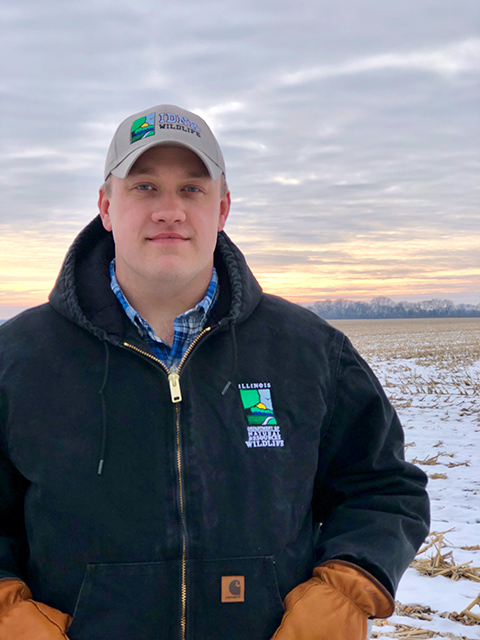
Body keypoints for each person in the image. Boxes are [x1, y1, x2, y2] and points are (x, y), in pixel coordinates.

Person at [0, 103, 429, 640]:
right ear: (106, 207)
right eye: (145, 187)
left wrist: (344, 588)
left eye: (192, 189)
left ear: (222, 208)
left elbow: (383, 487)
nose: (169, 210)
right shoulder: (18, 359)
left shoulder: (310, 351)